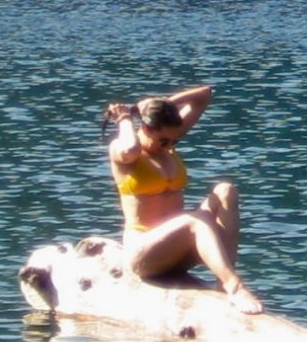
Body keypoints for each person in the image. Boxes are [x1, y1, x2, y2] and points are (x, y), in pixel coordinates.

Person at [102, 83, 262, 313]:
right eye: (162, 141)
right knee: (193, 221)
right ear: (146, 128)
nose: (168, 146)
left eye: (174, 141)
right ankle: (235, 287)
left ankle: (222, 282)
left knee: (225, 190)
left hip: (178, 248)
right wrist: (125, 117)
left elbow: (204, 95)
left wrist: (152, 105)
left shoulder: (166, 143)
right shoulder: (123, 151)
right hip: (144, 255)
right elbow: (130, 149)